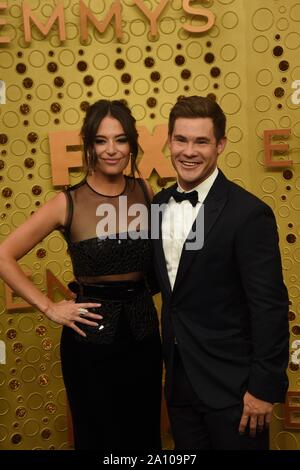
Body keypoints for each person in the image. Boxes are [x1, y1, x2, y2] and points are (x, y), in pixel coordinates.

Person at [0, 99, 162, 450]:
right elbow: (4, 255)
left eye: (120, 140)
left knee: (144, 435)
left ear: (132, 144)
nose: (111, 149)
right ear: (89, 146)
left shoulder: (145, 192)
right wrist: (49, 307)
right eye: (101, 141)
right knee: (97, 436)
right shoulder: (67, 202)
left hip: (144, 336)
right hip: (90, 341)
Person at [152, 95, 289, 450]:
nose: (189, 151)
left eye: (201, 141)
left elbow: (269, 307)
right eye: (181, 140)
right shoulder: (157, 206)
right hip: (179, 383)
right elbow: (170, 286)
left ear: (220, 145)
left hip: (236, 390)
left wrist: (263, 388)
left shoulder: (248, 214)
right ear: (168, 142)